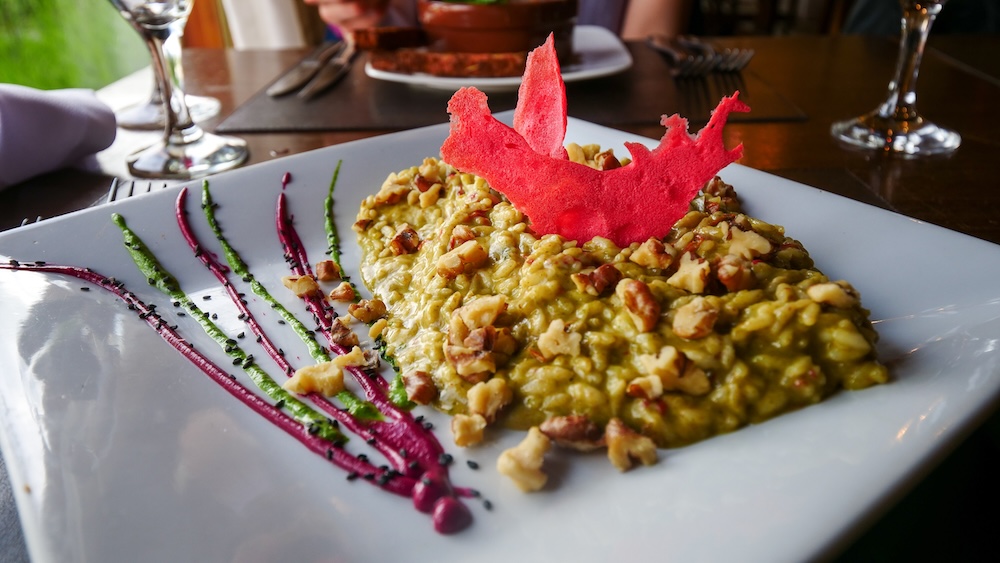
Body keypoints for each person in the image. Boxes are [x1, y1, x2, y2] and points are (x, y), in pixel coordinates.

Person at [302, 0, 693, 41]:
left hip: (602, 105)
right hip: (408, 106)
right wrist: (353, 13)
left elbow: (649, 47)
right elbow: (359, 19)